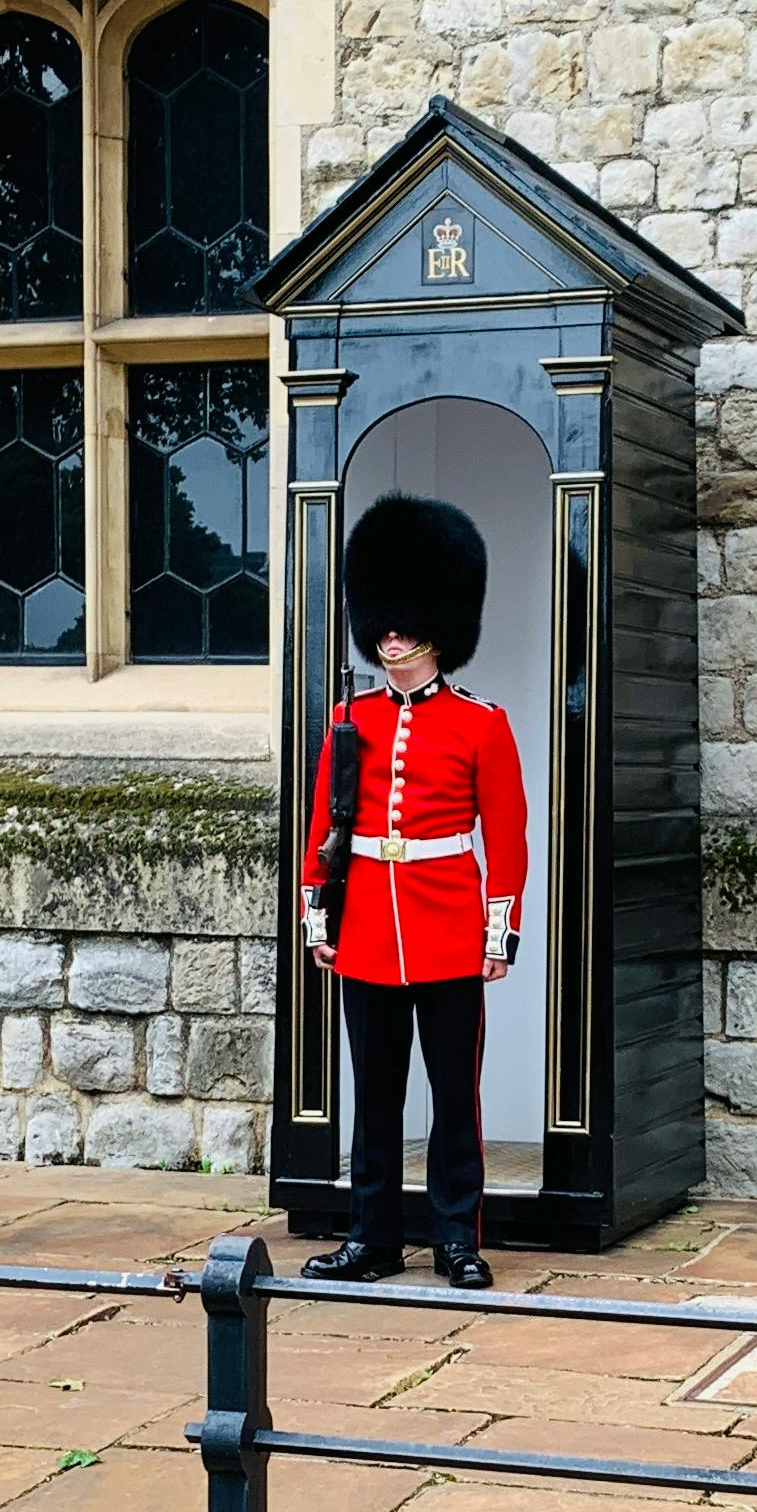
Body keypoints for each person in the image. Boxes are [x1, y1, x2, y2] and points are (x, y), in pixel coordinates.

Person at [298, 491, 528, 1290]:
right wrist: (317, 917)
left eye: (404, 620)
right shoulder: (349, 719)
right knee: (376, 1101)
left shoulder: (481, 724)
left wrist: (498, 934)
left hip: (447, 930)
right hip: (366, 929)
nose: (391, 635)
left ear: (439, 622)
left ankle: (457, 1241)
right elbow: (327, 830)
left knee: (453, 1104)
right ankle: (373, 1239)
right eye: (383, 622)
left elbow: (505, 840)